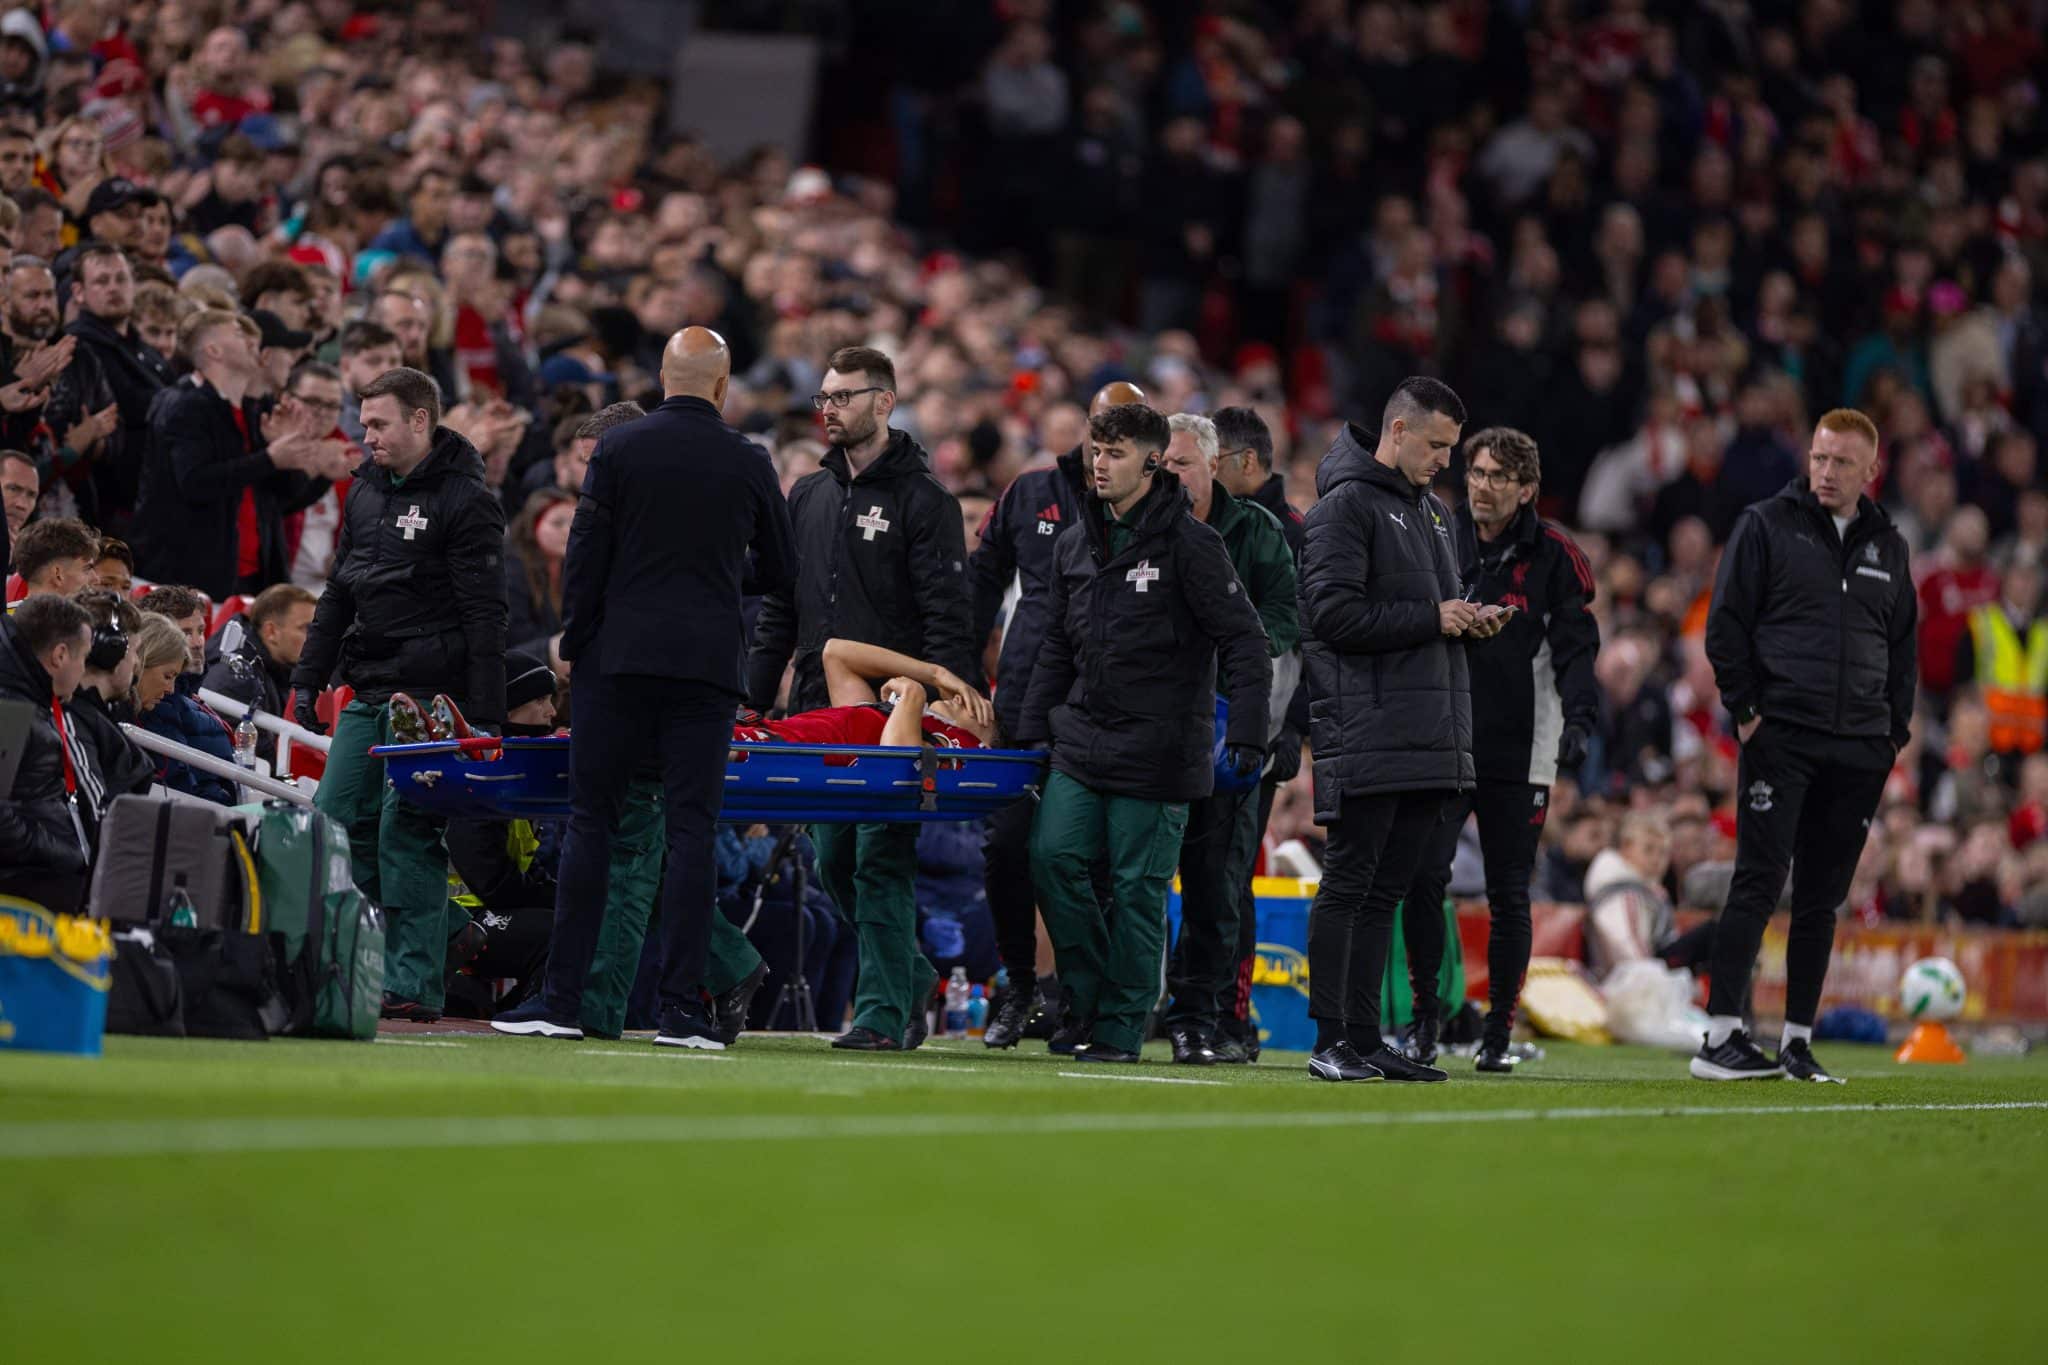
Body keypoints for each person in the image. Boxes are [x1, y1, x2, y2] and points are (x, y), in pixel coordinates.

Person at [493, 327, 795, 1048]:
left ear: (664, 376)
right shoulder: (748, 460)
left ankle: (562, 1002)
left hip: (618, 661)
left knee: (591, 823)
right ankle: (683, 1012)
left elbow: (585, 559)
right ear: (722, 386)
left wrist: (583, 641)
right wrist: (720, 578)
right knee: (690, 832)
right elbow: (781, 570)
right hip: (707, 668)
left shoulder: (619, 449)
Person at [1017, 402, 1271, 1063]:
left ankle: (1119, 1028)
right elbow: (1053, 647)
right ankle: (1098, 996)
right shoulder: (1075, 541)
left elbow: (1245, 637)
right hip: (1082, 740)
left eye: (1116, 452)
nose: (1099, 463)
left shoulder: (1193, 544)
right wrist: (1027, 735)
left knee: (1136, 889)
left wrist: (1247, 727)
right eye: (1095, 450)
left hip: (1160, 752)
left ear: (1153, 462)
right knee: (1051, 859)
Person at [745, 344, 977, 1052]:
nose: (829, 409)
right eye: (824, 397)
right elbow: (780, 611)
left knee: (880, 863)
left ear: (884, 401)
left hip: (894, 716)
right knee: (837, 864)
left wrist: (950, 699)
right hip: (820, 712)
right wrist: (753, 700)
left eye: (844, 396)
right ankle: (908, 977)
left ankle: (880, 1012)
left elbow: (948, 613)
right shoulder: (806, 496)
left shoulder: (926, 501)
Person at [1297, 377, 1506, 1084]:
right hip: (1368, 728)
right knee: (1350, 882)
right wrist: (1433, 618)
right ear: (1398, 430)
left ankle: (1364, 1036)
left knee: (1386, 890)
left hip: (1428, 731)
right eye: (1438, 445)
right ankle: (1329, 1037)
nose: (1445, 461)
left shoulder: (1434, 515)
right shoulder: (1343, 508)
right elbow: (1328, 618)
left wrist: (1467, 620)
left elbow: (1429, 612)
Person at [1700, 408, 1916, 1083]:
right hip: (1783, 735)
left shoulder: (1890, 545)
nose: (1825, 471)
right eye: (1819, 457)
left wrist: (1891, 733)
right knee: (1758, 883)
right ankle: (1721, 1036)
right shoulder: (1765, 524)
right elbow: (1725, 624)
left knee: (1822, 899)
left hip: (1858, 747)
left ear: (1869, 470)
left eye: (1841, 462)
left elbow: (1901, 648)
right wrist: (1748, 711)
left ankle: (1796, 1042)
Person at [290, 366, 509, 1023]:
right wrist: (308, 673)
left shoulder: (467, 501)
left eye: (379, 422)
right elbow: (337, 592)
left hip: (434, 696)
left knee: (405, 833)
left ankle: (414, 980)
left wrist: (487, 714)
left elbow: (485, 614)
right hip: (369, 687)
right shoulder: (362, 493)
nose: (366, 433)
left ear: (421, 420)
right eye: (365, 421)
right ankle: (445, 935)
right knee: (334, 821)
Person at [1398, 427, 1600, 1073]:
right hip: (1446, 736)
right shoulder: (1436, 531)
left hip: (1520, 748)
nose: (1482, 485)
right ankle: (1426, 1017)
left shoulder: (1555, 557)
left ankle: (1497, 1031)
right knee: (1425, 876)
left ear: (1526, 490)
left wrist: (1579, 720)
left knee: (1510, 891)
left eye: (1497, 477)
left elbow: (1576, 648)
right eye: (1477, 473)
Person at [967, 378, 1144, 1048]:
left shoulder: (1154, 506)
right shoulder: (1030, 490)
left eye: (1119, 439)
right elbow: (983, 576)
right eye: (1099, 432)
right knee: (1006, 847)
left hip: (1103, 707)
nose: (1104, 451)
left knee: (1085, 860)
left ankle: (1082, 998)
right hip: (1022, 701)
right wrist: (960, 672)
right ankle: (1018, 985)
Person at [1157, 411, 1299, 1064]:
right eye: (1162, 464)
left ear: (1214, 466)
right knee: (1137, 872)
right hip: (1155, 721)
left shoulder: (1261, 531)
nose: (1169, 475)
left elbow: (1287, 617)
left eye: (1181, 463)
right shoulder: (1136, 525)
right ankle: (1154, 1005)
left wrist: (1235, 654)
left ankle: (1216, 1013)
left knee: (1221, 880)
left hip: (1234, 720)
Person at [1209, 403, 1306, 1060]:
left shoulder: (1290, 532)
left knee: (1230, 869)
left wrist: (1291, 728)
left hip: (1256, 730)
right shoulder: (1197, 523)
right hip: (1193, 721)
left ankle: (1230, 1012)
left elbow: (1306, 635)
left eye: (1211, 462)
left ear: (1244, 462)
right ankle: (1196, 998)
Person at [133, 309, 340, 598]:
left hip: (252, 573)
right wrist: (270, 458)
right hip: (191, 579)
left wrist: (288, 452)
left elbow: (278, 498)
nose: (254, 342)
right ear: (214, 351)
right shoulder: (184, 405)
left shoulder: (252, 410)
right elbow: (195, 482)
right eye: (240, 335)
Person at [44, 241, 171, 531]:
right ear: (78, 292)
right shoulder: (76, 348)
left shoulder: (144, 349)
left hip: (153, 504)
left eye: (121, 278)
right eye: (102, 281)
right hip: (112, 509)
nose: (113, 288)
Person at [0, 593, 96, 909]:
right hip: (26, 892)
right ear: (59, 655)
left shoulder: (30, 697)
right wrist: (61, 851)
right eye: (83, 657)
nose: (83, 673)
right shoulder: (10, 706)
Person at [132, 610, 237, 804]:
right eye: (167, 676)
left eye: (201, 631)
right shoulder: (147, 717)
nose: (170, 689)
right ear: (140, 663)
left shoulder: (164, 708)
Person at [202, 581, 317, 755]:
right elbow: (254, 759)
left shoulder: (279, 670)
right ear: (271, 631)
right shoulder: (236, 678)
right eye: (306, 628)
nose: (315, 638)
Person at [1957, 558, 2046, 765]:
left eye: (2032, 579)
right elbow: (1961, 682)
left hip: (2033, 748)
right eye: (2020, 577)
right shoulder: (1982, 623)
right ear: (2006, 580)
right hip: (1987, 741)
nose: (2025, 585)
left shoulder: (2044, 633)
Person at [504, 487, 574, 656]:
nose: (569, 530)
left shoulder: (570, 566)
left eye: (575, 522)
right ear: (533, 525)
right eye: (557, 523)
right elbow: (514, 637)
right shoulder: (512, 569)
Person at [7, 516, 96, 598]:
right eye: (86, 569)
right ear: (58, 575)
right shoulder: (85, 615)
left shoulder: (7, 613)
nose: (95, 579)